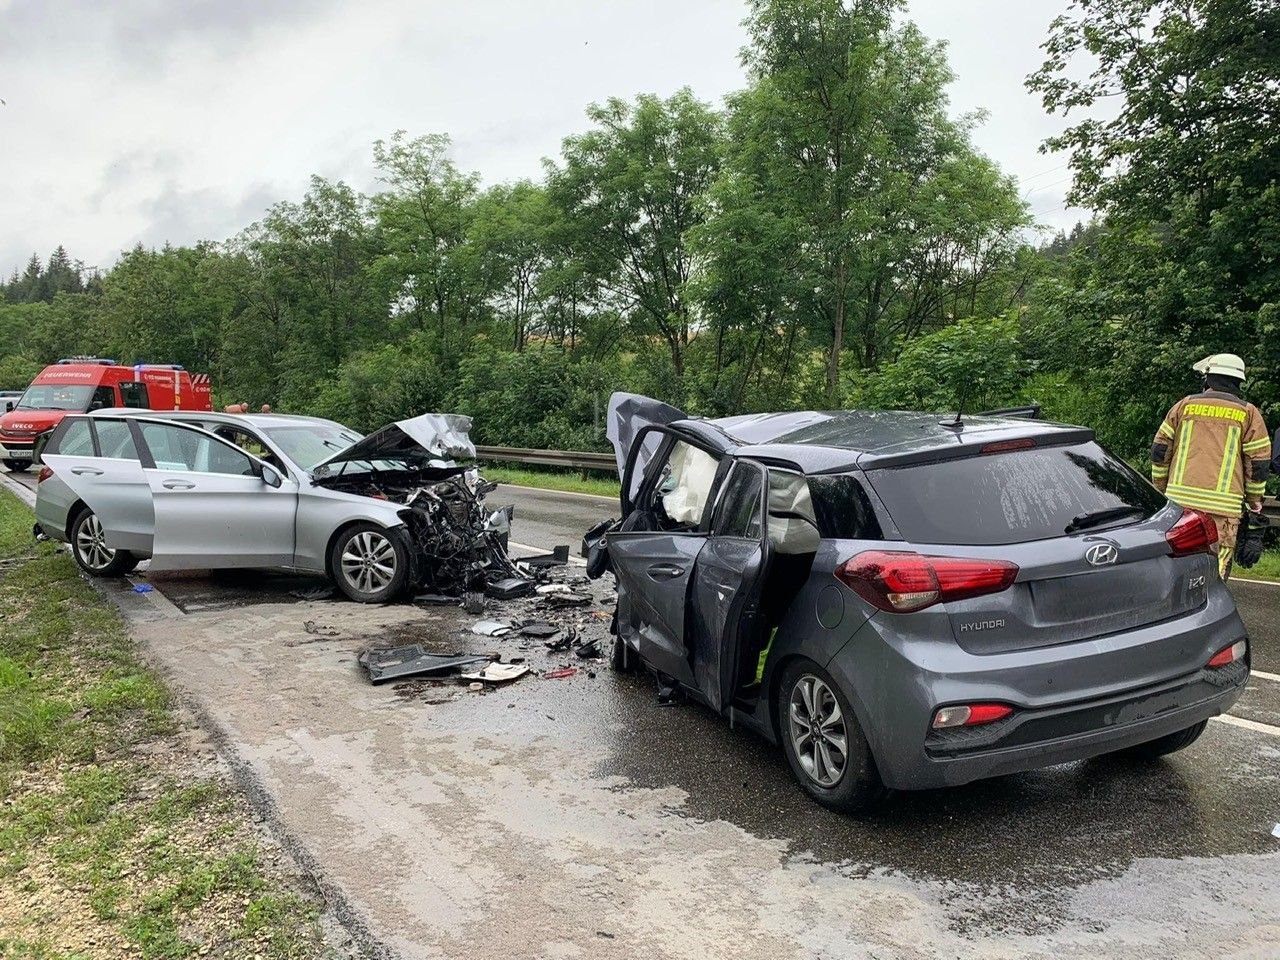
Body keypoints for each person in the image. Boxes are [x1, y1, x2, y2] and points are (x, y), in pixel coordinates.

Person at [1150, 353, 1271, 579]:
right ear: (1239, 381)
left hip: (1179, 506)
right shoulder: (1248, 413)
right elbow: (1258, 465)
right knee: (1213, 577)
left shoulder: (1184, 406)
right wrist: (1255, 504)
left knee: (1174, 570)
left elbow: (1159, 452)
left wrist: (1161, 489)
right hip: (1223, 513)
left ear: (1208, 378)